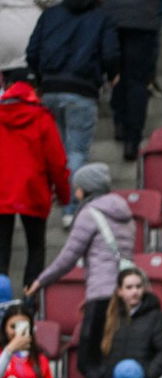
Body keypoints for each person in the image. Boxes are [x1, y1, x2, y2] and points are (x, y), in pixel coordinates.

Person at [26, 164, 133, 360]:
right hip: (123, 292)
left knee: (86, 358)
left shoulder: (89, 214)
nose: (75, 192)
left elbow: (68, 258)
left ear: (87, 188)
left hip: (101, 295)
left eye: (78, 187)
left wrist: (40, 281)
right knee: (113, 355)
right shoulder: (123, 212)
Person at [24, 0, 117, 188]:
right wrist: (112, 74)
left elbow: (32, 51)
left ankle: (55, 195)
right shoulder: (102, 17)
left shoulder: (50, 14)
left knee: (55, 151)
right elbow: (110, 54)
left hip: (50, 88)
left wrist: (41, 78)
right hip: (83, 89)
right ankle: (71, 205)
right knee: (77, 152)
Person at [0, 78, 70, 288]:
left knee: (1, 251)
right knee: (36, 248)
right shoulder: (42, 118)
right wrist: (64, 194)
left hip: (2, 192)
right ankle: (31, 301)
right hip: (33, 190)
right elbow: (57, 162)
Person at [94, 267, 162, 378]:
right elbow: (98, 352)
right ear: (120, 291)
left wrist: (146, 377)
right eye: (129, 287)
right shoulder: (110, 317)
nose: (135, 291)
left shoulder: (154, 316)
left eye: (138, 286)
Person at [100, 0, 159, 160]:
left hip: (111, 16)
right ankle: (132, 140)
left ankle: (119, 121)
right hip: (143, 19)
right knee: (138, 81)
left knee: (116, 74)